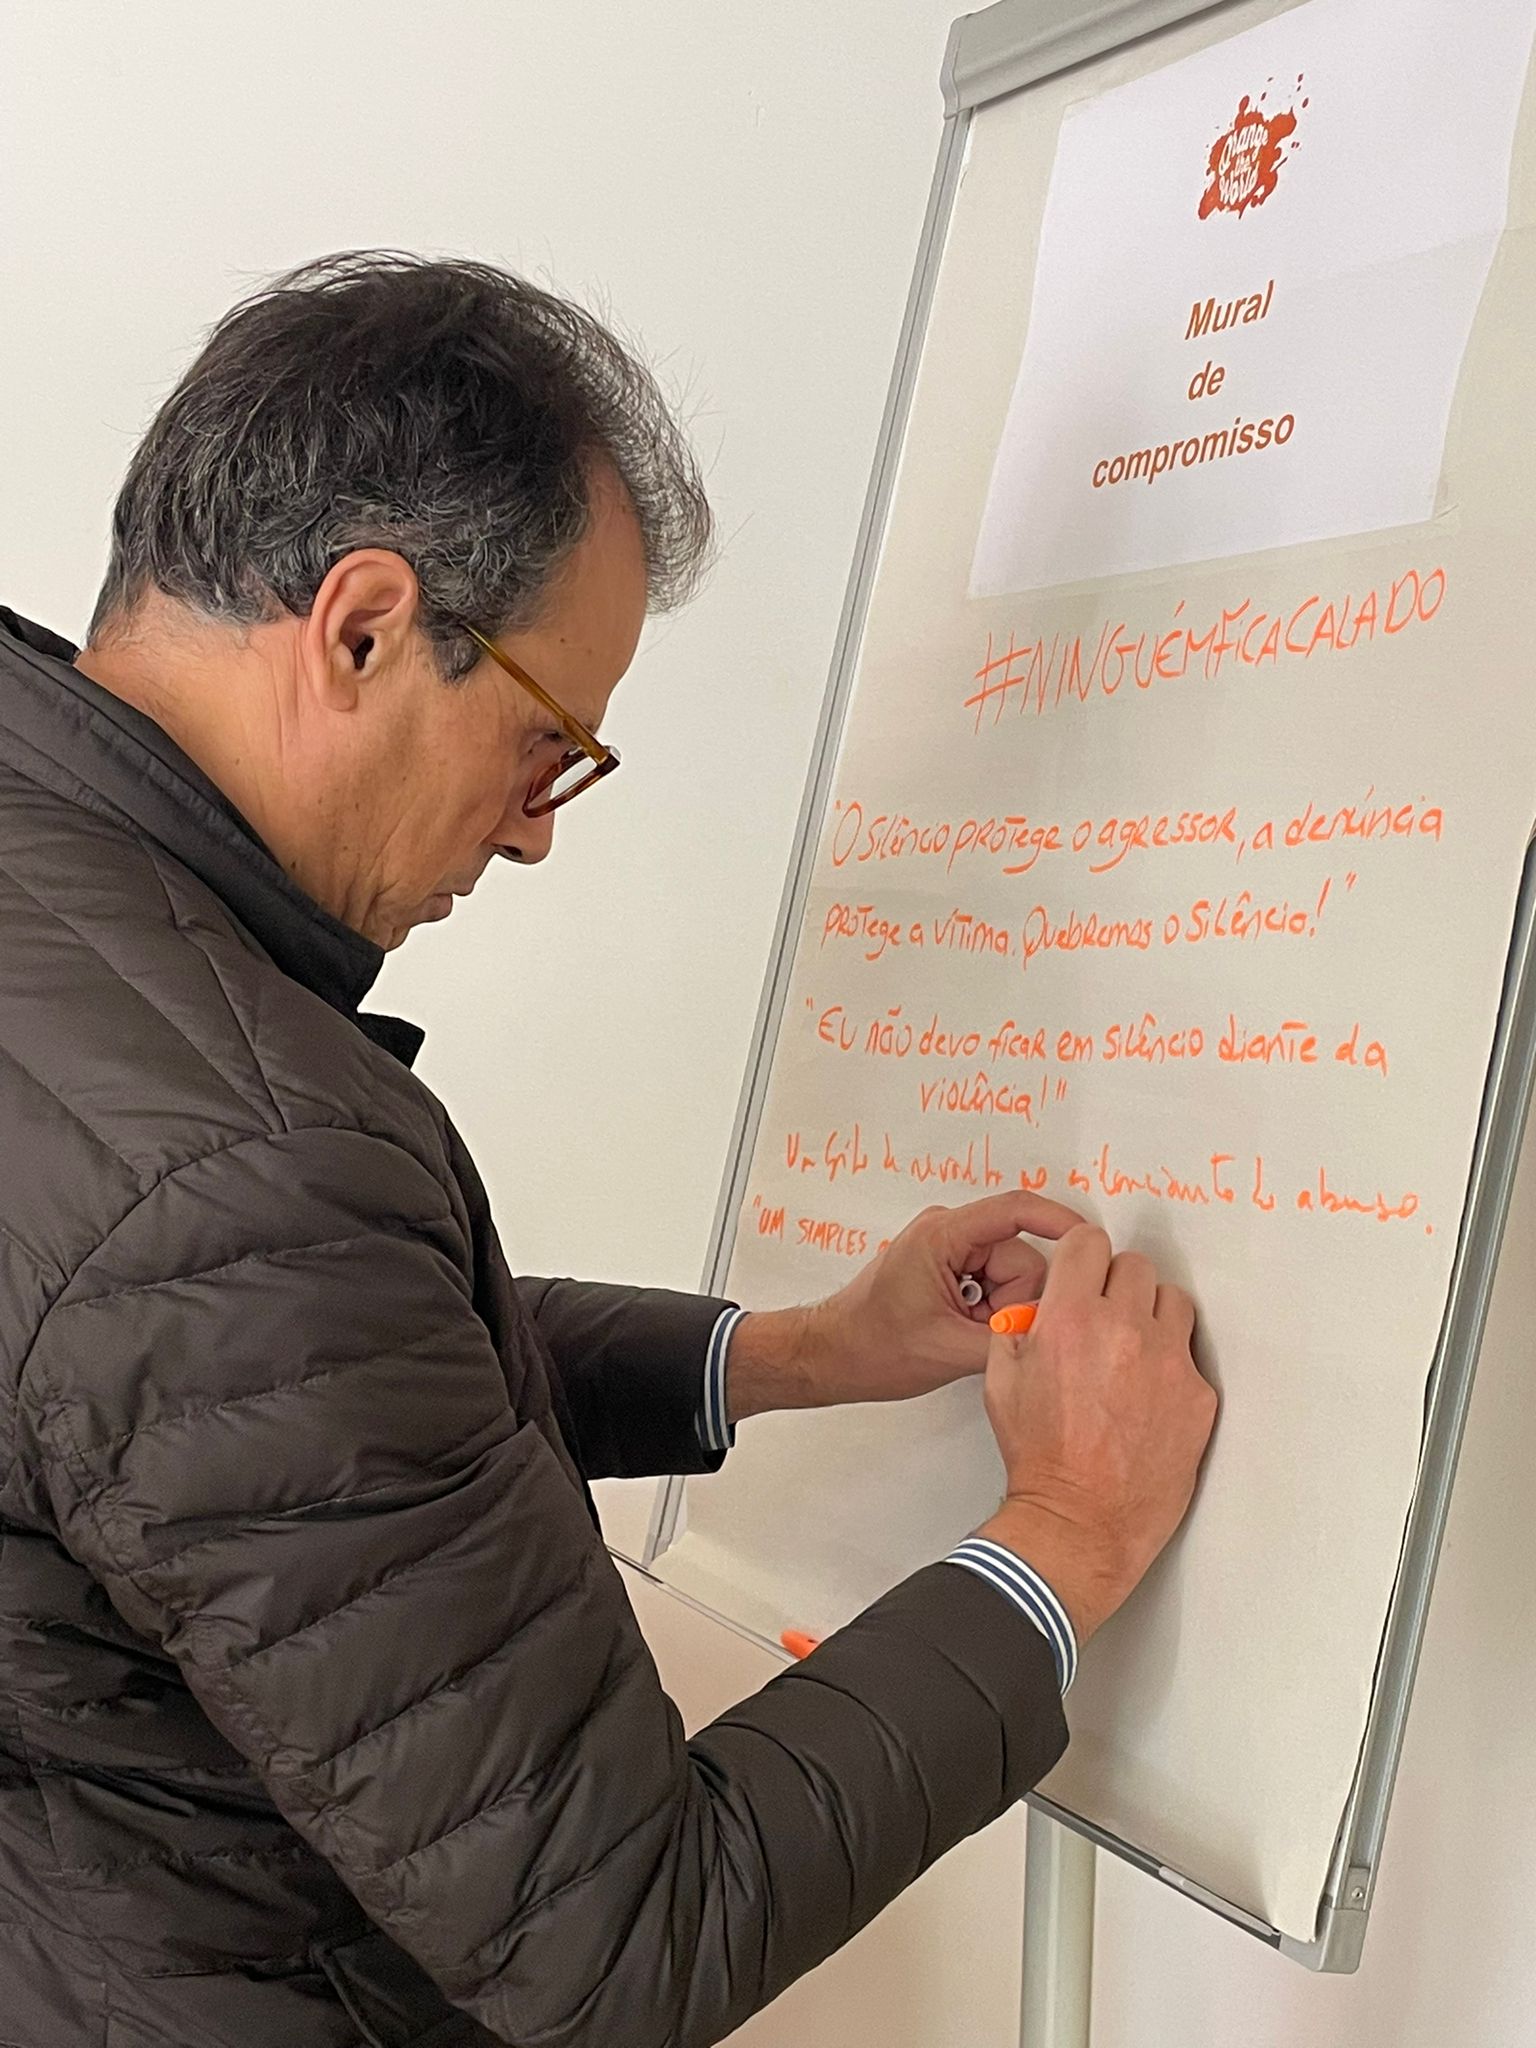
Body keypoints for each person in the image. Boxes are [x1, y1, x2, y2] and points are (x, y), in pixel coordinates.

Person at [0, 251, 1217, 2048]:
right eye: (545, 745)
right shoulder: (238, 1174)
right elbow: (629, 1938)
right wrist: (1067, 1533)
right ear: (362, 626)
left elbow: (287, 1398)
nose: (534, 833)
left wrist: (793, 1355)